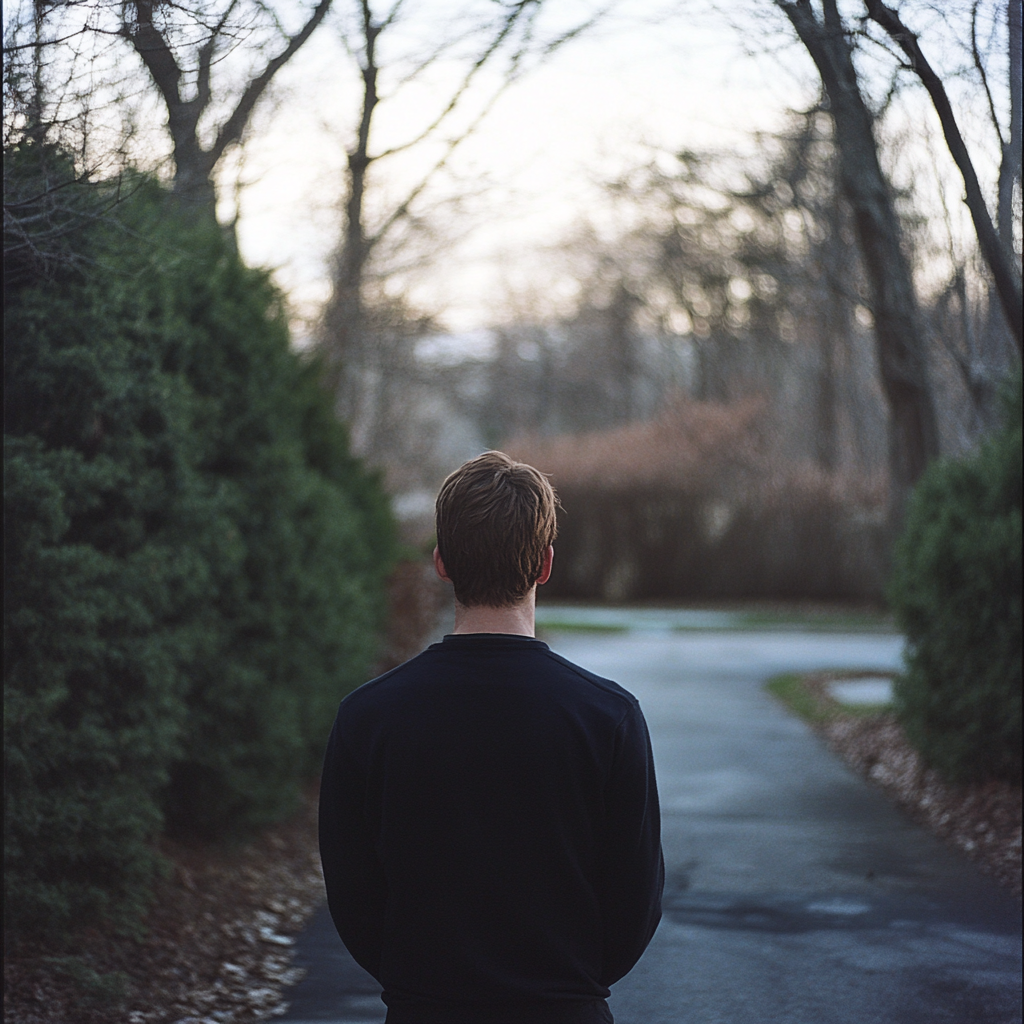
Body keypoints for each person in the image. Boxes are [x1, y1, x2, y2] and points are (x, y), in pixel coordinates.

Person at [319, 451, 664, 1024]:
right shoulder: (609, 719)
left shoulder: (367, 719)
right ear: (546, 564)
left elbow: (354, 897)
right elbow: (636, 903)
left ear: (441, 563)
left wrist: (422, 986)